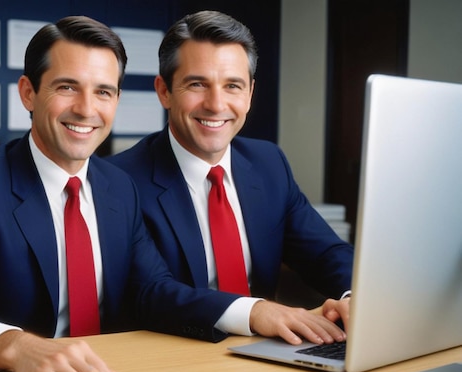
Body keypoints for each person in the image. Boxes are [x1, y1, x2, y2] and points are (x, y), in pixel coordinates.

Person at [0, 15, 346, 372]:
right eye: (67, 88)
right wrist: (16, 347)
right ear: (29, 94)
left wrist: (254, 311)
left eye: (104, 92)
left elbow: (152, 290)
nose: (87, 109)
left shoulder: (115, 186)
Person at [108, 11, 353, 341]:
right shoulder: (118, 181)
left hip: (264, 357)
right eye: (198, 84)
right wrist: (252, 311)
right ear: (164, 91)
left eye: (232, 86)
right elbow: (151, 293)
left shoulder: (269, 163)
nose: (216, 104)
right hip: (175, 356)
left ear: (250, 94)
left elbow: (326, 253)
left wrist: (354, 297)